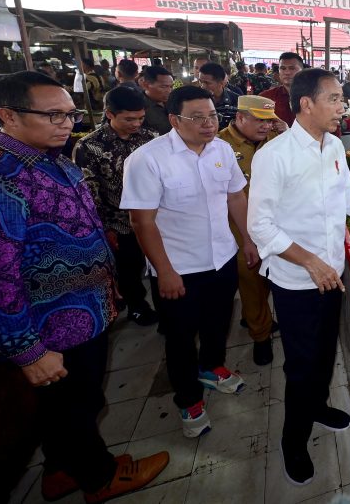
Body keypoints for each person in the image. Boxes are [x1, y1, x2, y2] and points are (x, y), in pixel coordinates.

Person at [0, 71, 168, 502]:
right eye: (53, 115)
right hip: (48, 326)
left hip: (84, 309)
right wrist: (27, 350)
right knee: (75, 405)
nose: (66, 123)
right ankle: (99, 477)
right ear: (8, 116)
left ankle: (60, 471)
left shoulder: (51, 158)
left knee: (69, 404)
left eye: (70, 114)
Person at [247, 68, 350, 485]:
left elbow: (348, 195)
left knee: (323, 351)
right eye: (334, 99)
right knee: (300, 365)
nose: (343, 107)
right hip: (297, 282)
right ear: (306, 104)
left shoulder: (334, 145)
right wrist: (309, 262)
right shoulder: (273, 156)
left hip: (331, 273)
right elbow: (260, 227)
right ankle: (292, 442)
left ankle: (316, 406)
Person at [121, 85, 258, 438]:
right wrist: (164, 271)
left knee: (218, 321)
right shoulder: (148, 159)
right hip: (177, 269)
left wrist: (248, 240)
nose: (208, 123)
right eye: (196, 117)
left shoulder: (223, 150)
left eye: (212, 115)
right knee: (180, 338)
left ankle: (212, 367)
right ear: (173, 120)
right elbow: (142, 221)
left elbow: (235, 198)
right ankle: (188, 398)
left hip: (222, 258)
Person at [73, 87, 159, 326]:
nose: (136, 124)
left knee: (158, 263)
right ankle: (137, 306)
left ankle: (165, 304)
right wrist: (105, 228)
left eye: (140, 118)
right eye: (129, 119)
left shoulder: (150, 137)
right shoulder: (89, 147)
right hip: (118, 222)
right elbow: (90, 192)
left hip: (155, 217)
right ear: (110, 114)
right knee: (130, 268)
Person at [218, 95, 281, 366]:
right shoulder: (219, 145)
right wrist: (246, 237)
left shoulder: (276, 140)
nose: (266, 126)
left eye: (269, 120)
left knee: (271, 277)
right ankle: (260, 336)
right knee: (252, 280)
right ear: (240, 117)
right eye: (259, 120)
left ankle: (255, 317)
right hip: (239, 226)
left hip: (275, 222)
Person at [260, 52, 304, 126]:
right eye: (283, 68)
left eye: (292, 68)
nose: (287, 72)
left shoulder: (314, 96)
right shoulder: (266, 97)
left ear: (302, 71)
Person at [197, 62, 240, 130]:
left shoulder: (236, 100)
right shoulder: (195, 100)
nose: (203, 86)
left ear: (221, 83)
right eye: (200, 82)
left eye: (207, 83)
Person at [140, 65, 174, 134]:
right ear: (146, 85)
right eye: (164, 87)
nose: (169, 91)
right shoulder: (139, 106)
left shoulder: (173, 102)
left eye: (171, 87)